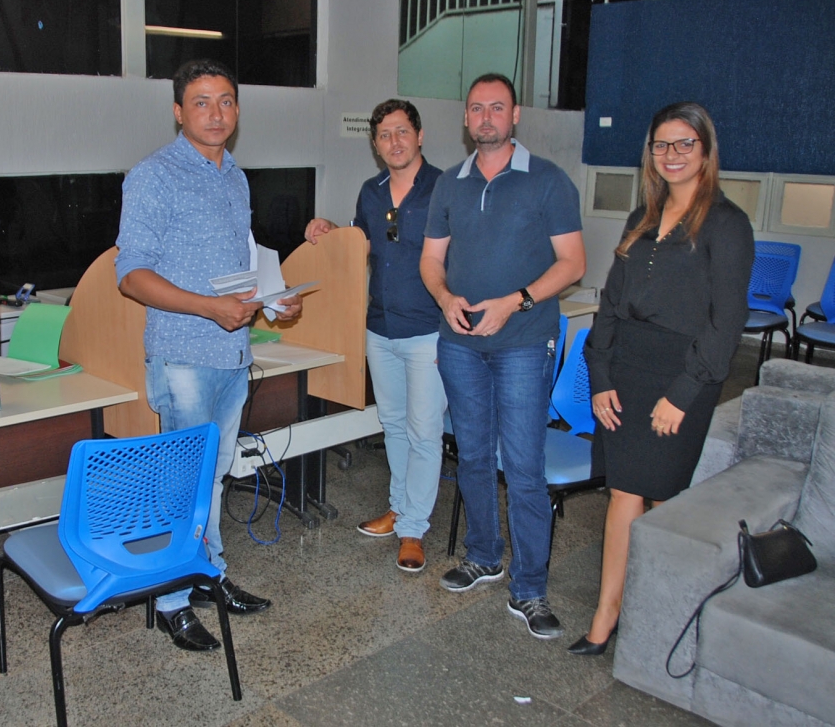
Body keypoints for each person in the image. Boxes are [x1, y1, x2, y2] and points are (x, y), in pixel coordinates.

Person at [115, 58, 303, 653]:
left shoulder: (235, 177)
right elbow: (131, 276)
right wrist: (206, 308)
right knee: (182, 483)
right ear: (178, 111)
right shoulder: (153, 176)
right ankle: (171, 600)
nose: (215, 113)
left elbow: (239, 266)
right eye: (201, 102)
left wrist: (272, 301)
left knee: (214, 476)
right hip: (184, 354)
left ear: (237, 110)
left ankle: (208, 576)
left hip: (232, 352)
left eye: (226, 101)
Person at [569, 102, 754, 656]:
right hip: (627, 367)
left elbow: (727, 324)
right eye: (661, 145)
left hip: (683, 375)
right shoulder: (641, 218)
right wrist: (599, 375)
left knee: (663, 497)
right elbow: (610, 304)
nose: (671, 155)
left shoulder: (726, 223)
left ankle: (660, 611)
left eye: (684, 144)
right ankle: (608, 612)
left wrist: (683, 393)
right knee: (623, 490)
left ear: (705, 151)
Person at [420, 73, 586, 640]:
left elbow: (572, 264)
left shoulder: (548, 181)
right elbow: (431, 261)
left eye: (497, 107)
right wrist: (444, 299)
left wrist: (514, 302)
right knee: (470, 456)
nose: (486, 116)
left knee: (523, 466)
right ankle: (484, 556)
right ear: (466, 120)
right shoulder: (449, 184)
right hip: (460, 343)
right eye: (476, 108)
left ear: (515, 117)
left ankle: (530, 588)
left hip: (522, 341)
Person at [304, 99, 447, 573]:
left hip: (429, 330)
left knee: (425, 432)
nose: (395, 141)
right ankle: (401, 507)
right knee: (392, 423)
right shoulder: (372, 190)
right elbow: (360, 242)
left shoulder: (444, 187)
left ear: (419, 135)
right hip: (380, 328)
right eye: (385, 135)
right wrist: (329, 230)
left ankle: (413, 530)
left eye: (402, 131)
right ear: (375, 144)